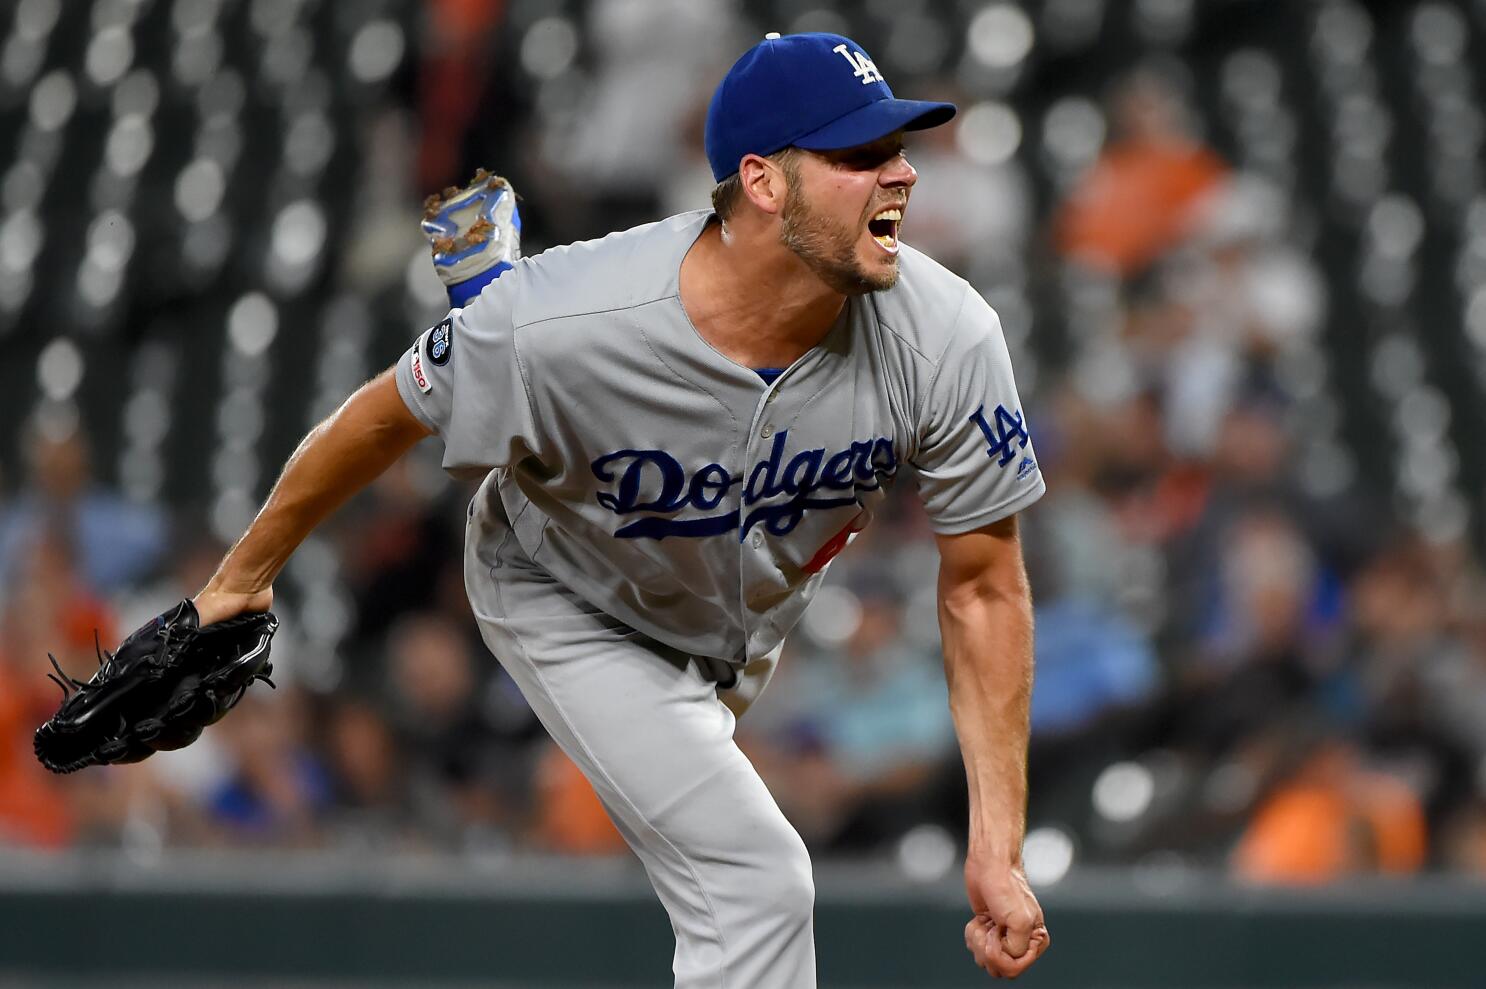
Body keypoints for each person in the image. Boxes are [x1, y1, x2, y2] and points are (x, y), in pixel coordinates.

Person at [192, 32, 1050, 984]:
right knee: (756, 881)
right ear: (763, 183)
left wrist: (997, 844)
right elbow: (383, 419)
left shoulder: (947, 335)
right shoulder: (570, 317)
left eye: (897, 149)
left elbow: (983, 588)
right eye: (860, 157)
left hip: (735, 626)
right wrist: (242, 579)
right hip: (568, 593)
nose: (900, 175)